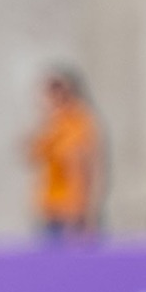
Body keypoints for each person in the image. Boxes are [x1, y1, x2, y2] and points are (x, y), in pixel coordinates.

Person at [27, 65, 104, 242]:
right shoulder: (53, 124)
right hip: (50, 210)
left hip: (73, 214)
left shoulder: (80, 123)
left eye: (57, 89)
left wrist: (86, 214)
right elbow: (32, 155)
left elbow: (88, 168)